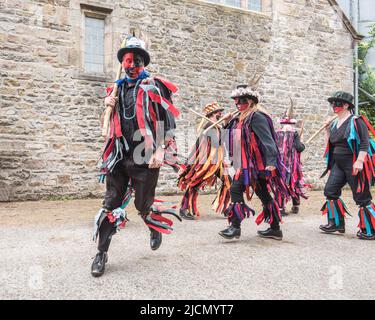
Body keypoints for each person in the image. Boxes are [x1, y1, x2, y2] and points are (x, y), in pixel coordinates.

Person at [91, 35, 181, 277]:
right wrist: (107, 105)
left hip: (146, 155)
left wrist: (161, 150)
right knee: (110, 204)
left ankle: (154, 224)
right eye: (127, 61)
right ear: (123, 63)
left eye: (136, 61)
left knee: (143, 205)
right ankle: (101, 253)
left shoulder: (154, 87)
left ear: (144, 63)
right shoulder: (116, 89)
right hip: (119, 156)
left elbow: (167, 122)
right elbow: (107, 126)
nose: (131, 66)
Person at [218, 85, 289, 241]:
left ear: (250, 101)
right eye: (236, 101)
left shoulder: (257, 117)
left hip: (254, 166)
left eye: (241, 101)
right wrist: (226, 123)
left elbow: (268, 141)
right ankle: (275, 229)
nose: (238, 104)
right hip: (242, 163)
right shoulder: (238, 118)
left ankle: (235, 227)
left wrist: (271, 162)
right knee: (263, 194)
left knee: (236, 189)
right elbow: (225, 139)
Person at [320, 91, 375, 240]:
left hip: (353, 163)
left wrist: (359, 161)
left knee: (362, 197)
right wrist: (326, 130)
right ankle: (336, 223)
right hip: (338, 163)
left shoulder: (356, 120)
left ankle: (370, 229)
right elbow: (330, 145)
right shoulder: (334, 124)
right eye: (333, 103)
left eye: (337, 103)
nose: (334, 106)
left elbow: (364, 142)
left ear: (346, 105)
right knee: (330, 191)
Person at [178, 102, 230, 219]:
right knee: (195, 183)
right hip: (206, 163)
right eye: (218, 112)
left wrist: (226, 124)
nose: (220, 114)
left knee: (228, 182)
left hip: (217, 163)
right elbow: (217, 143)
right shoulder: (208, 127)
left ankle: (226, 208)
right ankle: (184, 209)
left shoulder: (217, 126)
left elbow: (224, 143)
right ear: (212, 114)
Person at [276, 103, 306, 216]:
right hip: (291, 165)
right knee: (294, 183)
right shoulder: (294, 133)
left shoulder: (276, 133)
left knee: (281, 184)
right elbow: (299, 148)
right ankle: (295, 206)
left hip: (279, 164)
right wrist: (302, 143)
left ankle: (280, 208)